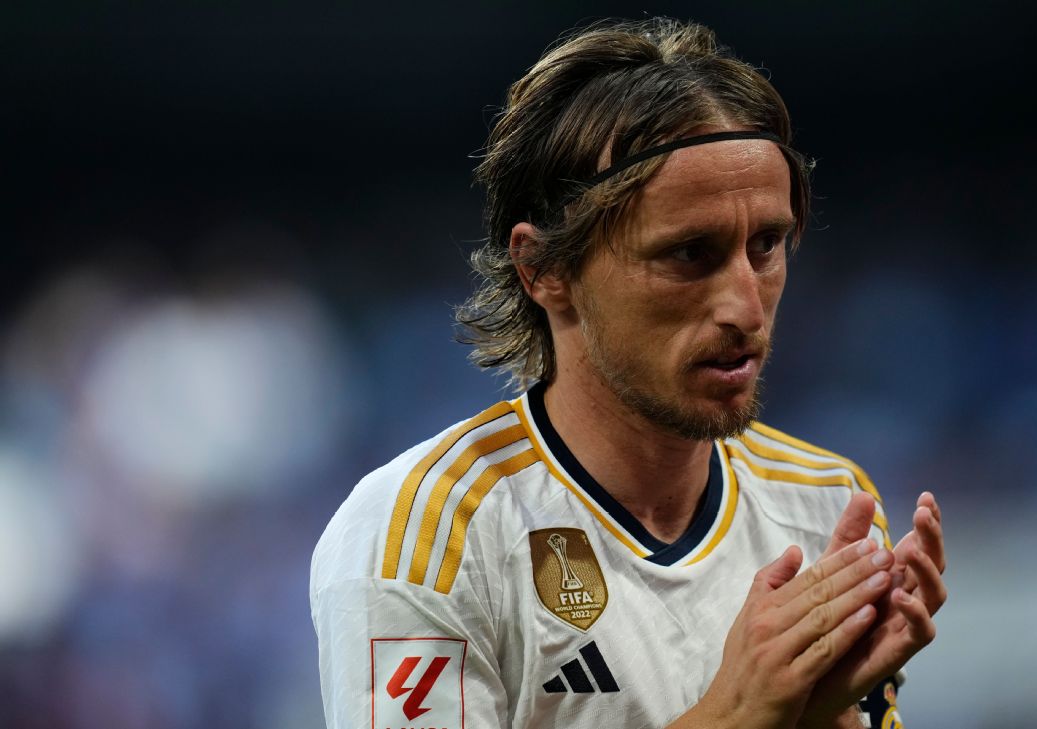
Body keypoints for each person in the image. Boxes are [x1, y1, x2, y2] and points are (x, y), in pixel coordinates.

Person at [311, 17, 946, 729]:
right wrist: (736, 716)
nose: (745, 306)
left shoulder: (827, 503)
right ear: (544, 268)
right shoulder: (425, 534)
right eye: (688, 254)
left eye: (766, 244)